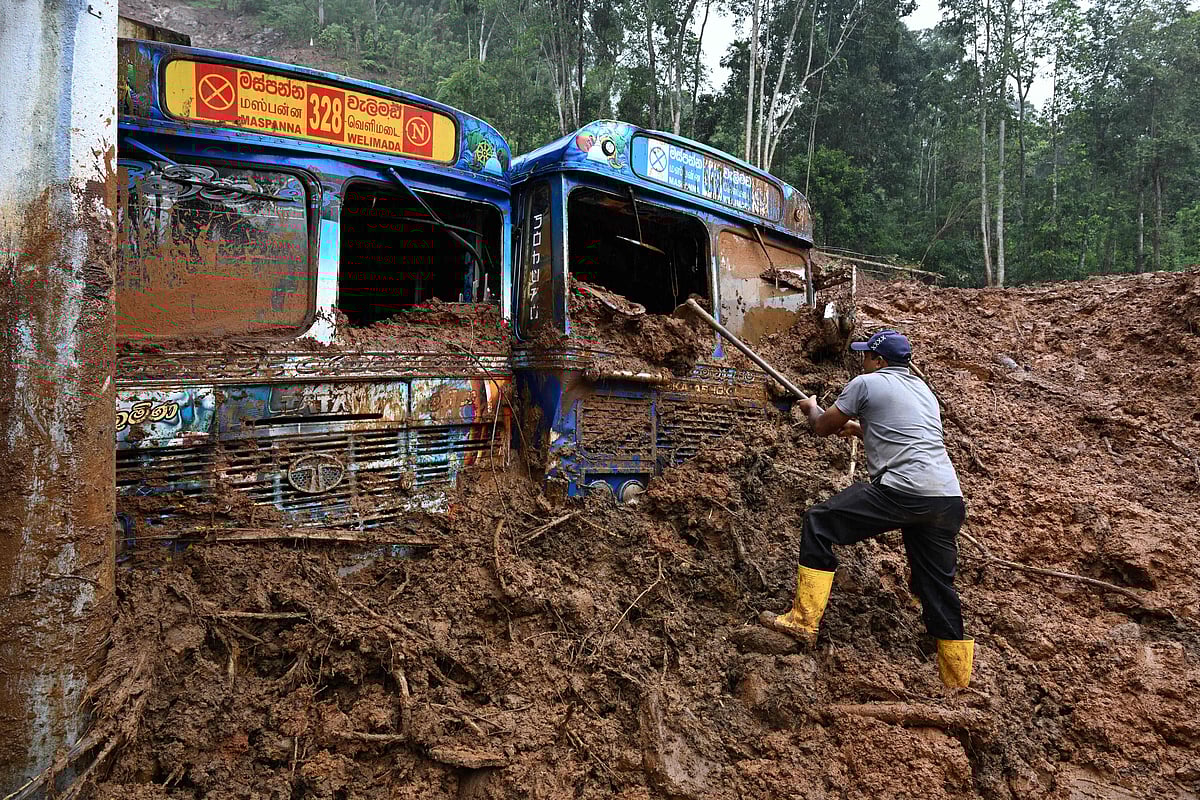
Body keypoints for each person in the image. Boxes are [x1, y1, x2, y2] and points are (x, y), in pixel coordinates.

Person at [759, 329, 974, 688]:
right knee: (935, 583)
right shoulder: (923, 391)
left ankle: (802, 622)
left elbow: (823, 428)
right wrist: (861, 430)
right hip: (946, 499)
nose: (862, 361)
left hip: (903, 491)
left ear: (879, 361)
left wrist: (812, 409)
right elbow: (906, 433)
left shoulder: (866, 382)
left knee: (819, 522)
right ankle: (957, 682)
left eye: (866, 356)